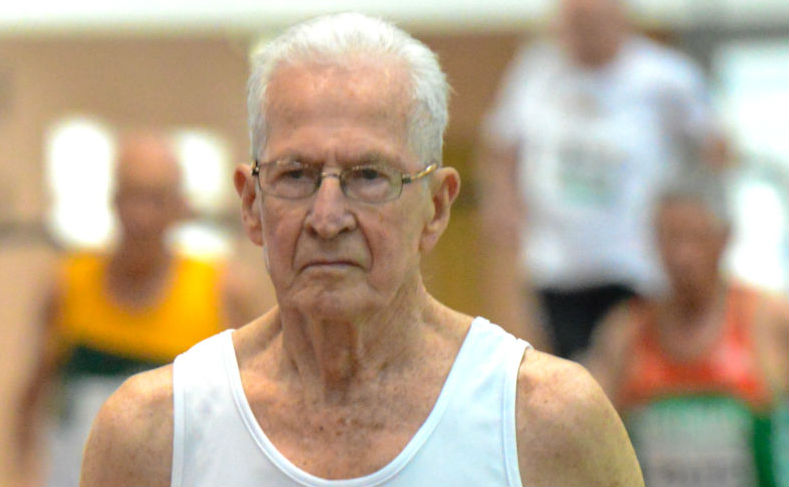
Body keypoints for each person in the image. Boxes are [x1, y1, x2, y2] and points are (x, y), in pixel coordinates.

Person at [80, 13, 644, 486]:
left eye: (369, 176)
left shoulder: (545, 424)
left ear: (437, 207)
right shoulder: (153, 435)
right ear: (251, 203)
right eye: (295, 175)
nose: (327, 218)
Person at [477, 0, 726, 359]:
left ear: (620, 18)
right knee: (565, 367)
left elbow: (715, 149)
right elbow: (501, 146)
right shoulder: (535, 72)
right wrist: (503, 203)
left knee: (628, 365)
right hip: (556, 263)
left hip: (635, 263)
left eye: (594, 21)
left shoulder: (665, 77)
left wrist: (694, 223)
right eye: (575, 22)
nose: (584, 33)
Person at [16, 132, 259, 485]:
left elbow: (255, 407)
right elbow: (31, 396)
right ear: (113, 200)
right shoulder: (68, 284)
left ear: (180, 206)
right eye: (132, 197)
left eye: (155, 199)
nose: (141, 217)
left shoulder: (222, 290)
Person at [585, 169, 789, 486]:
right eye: (671, 238)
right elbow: (584, 429)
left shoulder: (767, 319)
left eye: (696, 238)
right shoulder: (627, 331)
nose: (683, 256)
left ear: (724, 238)